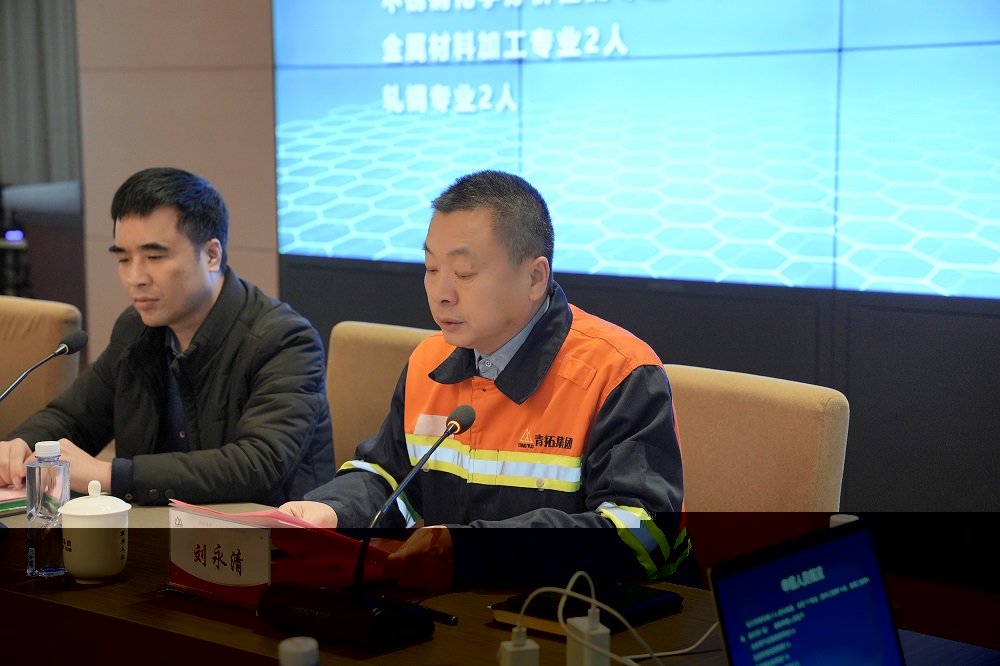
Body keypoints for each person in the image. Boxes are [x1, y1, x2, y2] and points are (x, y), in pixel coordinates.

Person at [280, 170, 693, 591]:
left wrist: (474, 552)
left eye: (464, 273)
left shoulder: (618, 372)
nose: (441, 293)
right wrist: (331, 511)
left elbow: (643, 534)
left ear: (535, 278)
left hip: (592, 614)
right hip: (459, 603)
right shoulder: (429, 361)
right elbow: (391, 480)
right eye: (431, 268)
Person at [0, 167, 335, 505]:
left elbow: (258, 464)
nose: (135, 277)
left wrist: (110, 476)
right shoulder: (136, 329)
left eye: (155, 257)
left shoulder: (285, 340)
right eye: (124, 258)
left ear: (212, 255)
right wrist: (22, 445)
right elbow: (74, 417)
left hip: (266, 532)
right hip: (157, 527)